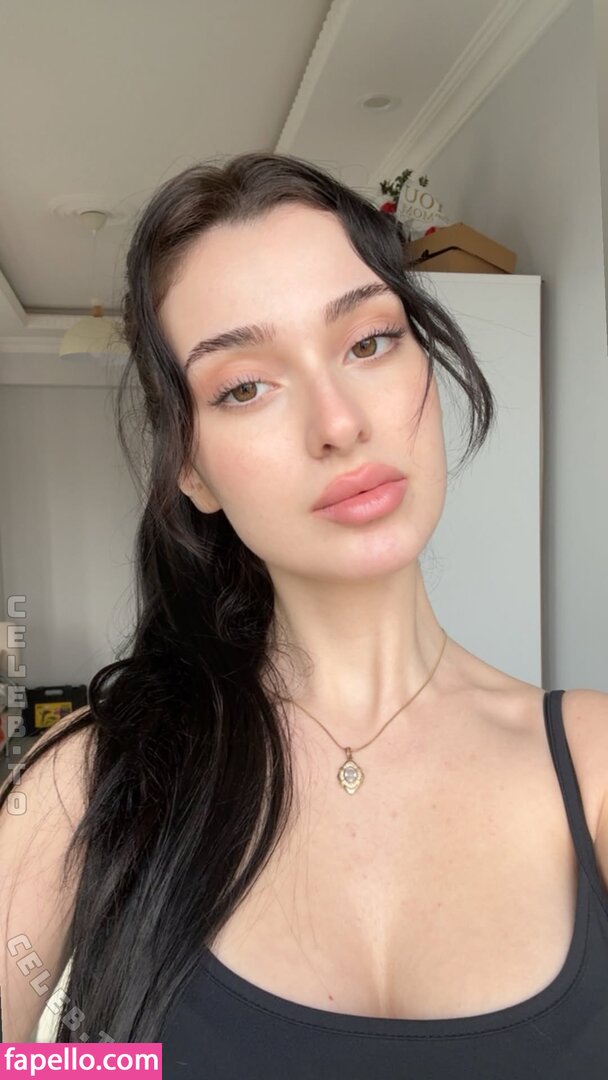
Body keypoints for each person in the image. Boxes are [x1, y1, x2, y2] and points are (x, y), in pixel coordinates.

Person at [1, 152, 608, 1077]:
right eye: (244, 386)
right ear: (191, 469)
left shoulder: (594, 767)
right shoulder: (96, 776)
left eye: (369, 342)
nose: (338, 423)